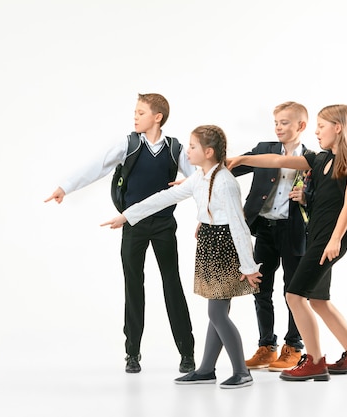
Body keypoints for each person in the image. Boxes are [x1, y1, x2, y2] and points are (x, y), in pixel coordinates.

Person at [44, 93, 196, 374]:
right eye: (135, 112)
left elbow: (200, 179)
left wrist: (204, 212)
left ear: (157, 117)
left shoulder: (176, 148)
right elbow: (96, 166)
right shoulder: (128, 144)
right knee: (133, 288)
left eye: (140, 112)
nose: (135, 117)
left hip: (164, 226)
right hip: (133, 227)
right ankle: (132, 354)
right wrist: (65, 186)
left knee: (172, 286)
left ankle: (187, 352)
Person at [102, 125, 263, 389]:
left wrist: (248, 265)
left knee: (218, 314)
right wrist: (128, 215)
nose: (186, 151)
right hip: (210, 244)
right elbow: (165, 197)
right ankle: (207, 369)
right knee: (216, 313)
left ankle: (241, 372)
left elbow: (239, 225)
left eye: (192, 147)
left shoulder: (224, 182)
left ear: (208, 152)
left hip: (225, 246)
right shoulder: (200, 178)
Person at [227, 104, 347, 381]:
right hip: (317, 237)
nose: (317, 132)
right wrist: (243, 160)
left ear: (338, 127)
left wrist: (335, 241)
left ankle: (315, 361)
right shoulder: (320, 160)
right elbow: (278, 161)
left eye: (321, 126)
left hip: (326, 241)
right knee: (319, 301)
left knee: (294, 295)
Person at [231, 102, 312, 371]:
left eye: (285, 122)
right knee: (260, 288)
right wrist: (199, 175)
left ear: (301, 126)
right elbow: (232, 166)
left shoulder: (314, 158)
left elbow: (325, 198)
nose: (278, 127)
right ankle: (267, 346)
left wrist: (306, 196)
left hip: (294, 231)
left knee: (294, 291)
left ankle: (293, 347)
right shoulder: (264, 149)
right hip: (264, 228)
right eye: (276, 122)